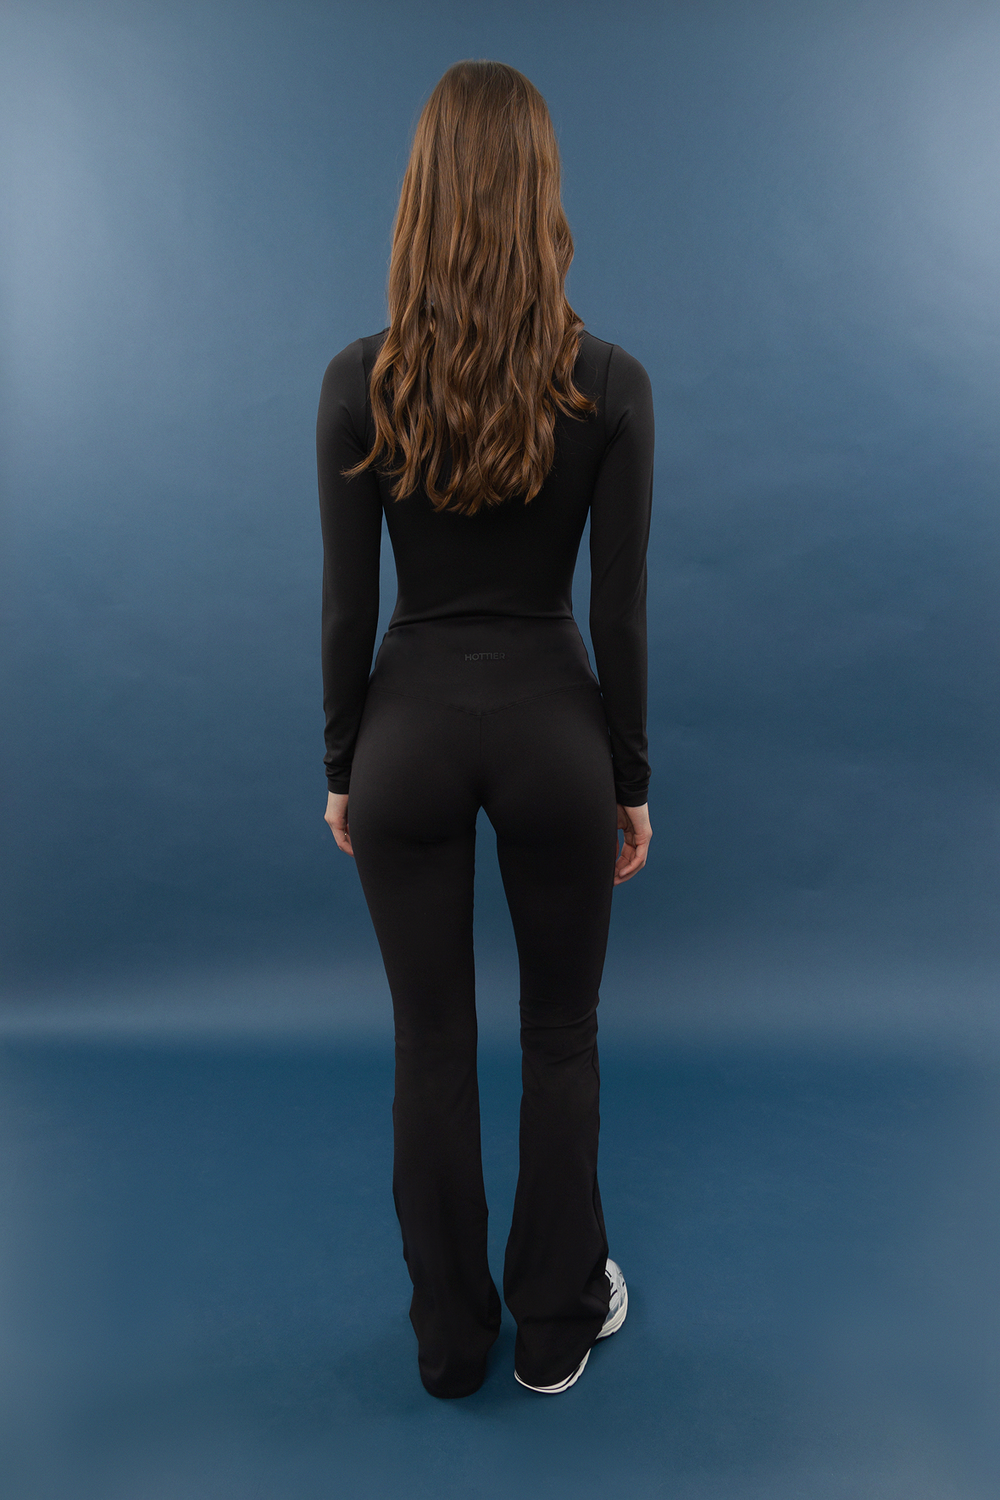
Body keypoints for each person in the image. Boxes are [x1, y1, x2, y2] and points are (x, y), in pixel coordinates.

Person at [317, 59, 654, 1399]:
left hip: (404, 734)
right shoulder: (611, 383)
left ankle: (453, 1345)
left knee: (430, 1042)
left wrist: (342, 767)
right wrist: (629, 777)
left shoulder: (360, 381)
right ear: (542, 199)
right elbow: (618, 616)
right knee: (560, 1033)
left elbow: (348, 611)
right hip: (555, 737)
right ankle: (556, 1330)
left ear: (423, 199)